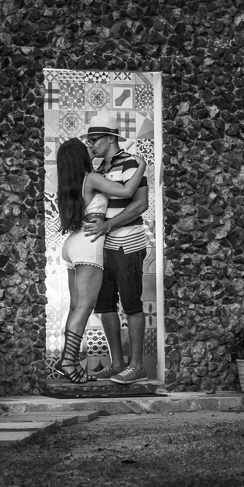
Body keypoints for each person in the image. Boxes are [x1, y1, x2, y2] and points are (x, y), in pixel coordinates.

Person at [55, 137, 147, 383]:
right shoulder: (92, 178)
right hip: (88, 245)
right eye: (85, 145)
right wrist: (141, 167)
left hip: (72, 245)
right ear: (79, 156)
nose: (90, 146)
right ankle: (69, 362)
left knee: (76, 307)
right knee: (84, 307)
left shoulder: (70, 182)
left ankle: (67, 358)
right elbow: (127, 191)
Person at [81, 112, 150, 385]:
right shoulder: (97, 171)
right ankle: (118, 362)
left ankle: (137, 366)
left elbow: (140, 204)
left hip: (127, 243)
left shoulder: (131, 163)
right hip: (102, 247)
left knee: (131, 304)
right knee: (106, 305)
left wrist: (107, 226)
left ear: (110, 138)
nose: (91, 144)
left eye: (94, 139)